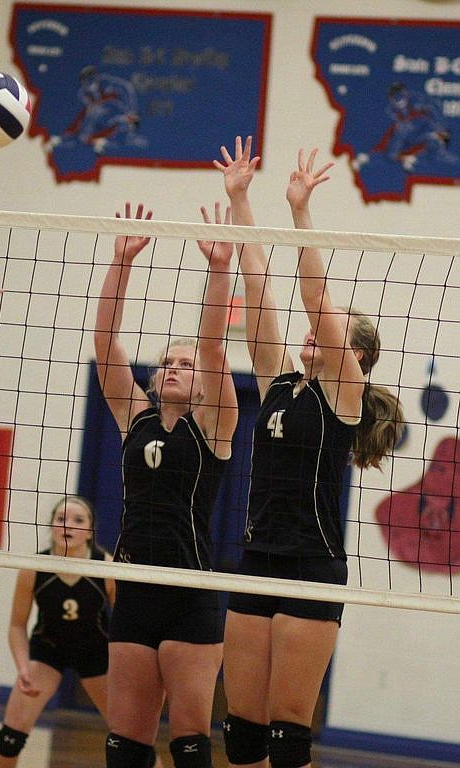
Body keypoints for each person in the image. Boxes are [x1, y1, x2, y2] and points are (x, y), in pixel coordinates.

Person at [214, 136, 403, 768]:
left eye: (332, 331)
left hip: (311, 568)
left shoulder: (344, 396)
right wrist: (241, 198)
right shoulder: (277, 383)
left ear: (356, 355)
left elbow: (315, 300)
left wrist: (301, 213)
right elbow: (258, 284)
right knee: (240, 733)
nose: (315, 329)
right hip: (256, 558)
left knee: (286, 737)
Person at [94, 202, 239, 768]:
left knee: (187, 744)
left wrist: (219, 269)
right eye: (168, 362)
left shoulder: (215, 423)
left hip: (190, 594)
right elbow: (106, 343)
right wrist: (121, 264)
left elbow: (212, 346)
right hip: (133, 586)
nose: (177, 366)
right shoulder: (136, 416)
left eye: (186, 362)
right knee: (125, 745)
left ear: (202, 379)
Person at [0, 495, 116, 767]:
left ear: (90, 531)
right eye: (61, 519)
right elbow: (16, 625)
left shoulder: (106, 566)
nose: (68, 525)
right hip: (48, 650)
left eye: (78, 520)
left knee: (131, 742)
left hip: (96, 654)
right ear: (51, 526)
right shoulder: (34, 567)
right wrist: (23, 666)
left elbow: (128, 626)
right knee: (8, 740)